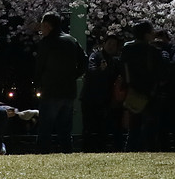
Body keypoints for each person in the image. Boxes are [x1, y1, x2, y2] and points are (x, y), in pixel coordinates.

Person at [34, 12, 86, 154]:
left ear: (48, 26)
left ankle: (43, 153)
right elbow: (84, 60)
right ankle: (67, 152)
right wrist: (75, 75)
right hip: (68, 90)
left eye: (42, 27)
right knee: (65, 128)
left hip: (50, 90)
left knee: (46, 127)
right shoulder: (71, 41)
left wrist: (37, 83)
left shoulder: (46, 42)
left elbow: (40, 66)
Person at [121, 20, 165, 152]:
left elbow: (124, 69)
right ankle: (150, 150)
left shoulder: (127, 48)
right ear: (146, 34)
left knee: (134, 125)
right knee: (150, 126)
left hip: (133, 90)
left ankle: (131, 150)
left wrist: (128, 85)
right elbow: (160, 73)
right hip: (150, 92)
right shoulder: (154, 51)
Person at [80, 33, 123, 152]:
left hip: (105, 99)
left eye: (114, 45)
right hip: (91, 97)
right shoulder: (96, 56)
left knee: (102, 128)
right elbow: (91, 71)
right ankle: (87, 150)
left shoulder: (115, 61)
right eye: (109, 43)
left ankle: (100, 150)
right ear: (104, 44)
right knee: (89, 127)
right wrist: (101, 70)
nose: (111, 46)